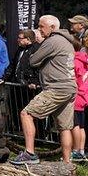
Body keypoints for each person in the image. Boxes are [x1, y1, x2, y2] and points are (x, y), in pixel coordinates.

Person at [12, 15, 77, 164]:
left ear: (53, 27)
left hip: (56, 87)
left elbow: (33, 61)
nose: (39, 30)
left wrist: (39, 46)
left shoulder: (52, 41)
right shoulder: (66, 41)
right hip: (69, 87)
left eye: (41, 27)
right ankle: (67, 163)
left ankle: (29, 153)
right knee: (65, 127)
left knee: (26, 114)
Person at [71, 39, 87, 162]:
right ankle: (81, 151)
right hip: (84, 96)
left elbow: (74, 78)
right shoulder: (84, 60)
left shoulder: (75, 62)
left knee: (75, 125)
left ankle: (75, 151)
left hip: (77, 96)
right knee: (81, 126)